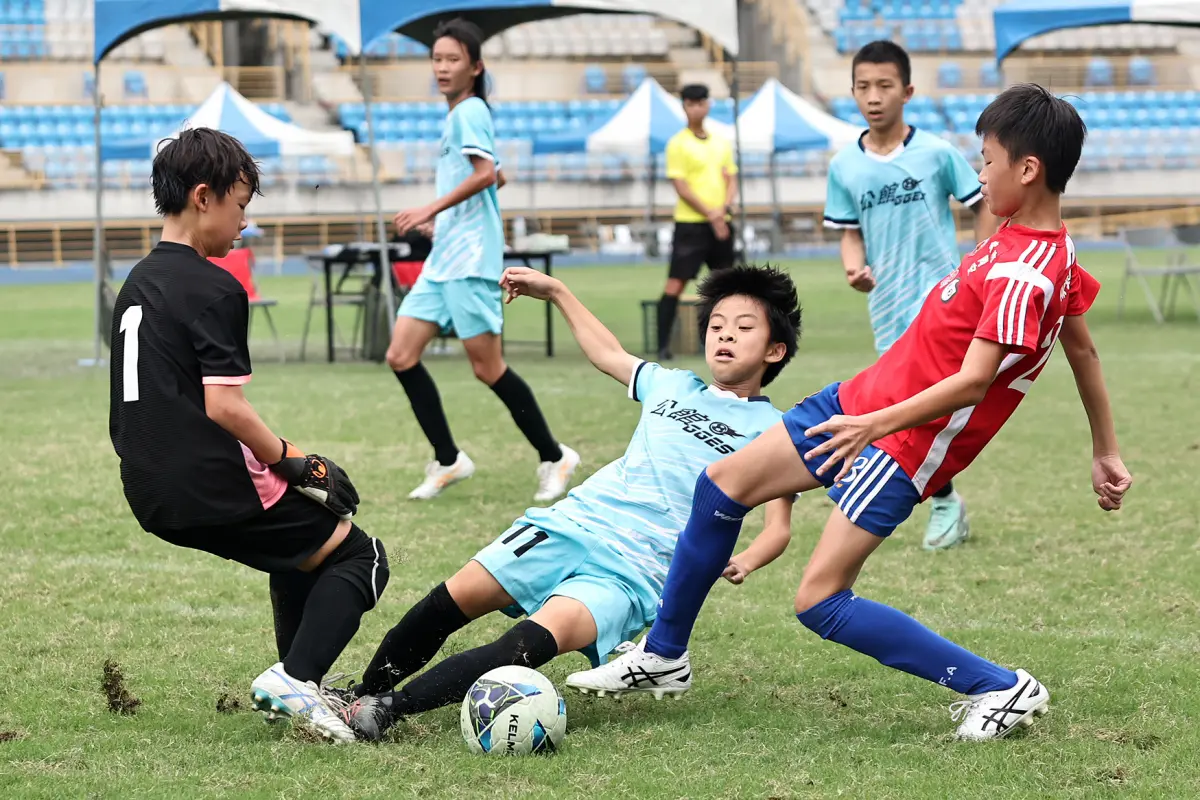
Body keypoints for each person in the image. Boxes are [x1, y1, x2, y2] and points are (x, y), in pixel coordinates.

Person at [566, 84, 1134, 741]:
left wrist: (875, 427)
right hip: (855, 403)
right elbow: (1084, 351)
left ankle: (1000, 686)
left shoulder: (1026, 273)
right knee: (722, 486)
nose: (980, 173)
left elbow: (975, 382)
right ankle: (665, 655)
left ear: (1027, 169)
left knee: (819, 600)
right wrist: (1106, 449)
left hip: (899, 443)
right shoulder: (1039, 247)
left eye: (987, 160)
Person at [331, 264, 802, 740]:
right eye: (716, 326)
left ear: (774, 350)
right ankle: (357, 696)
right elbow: (607, 353)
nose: (724, 336)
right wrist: (556, 291)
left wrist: (745, 559)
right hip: (571, 524)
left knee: (526, 643)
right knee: (448, 604)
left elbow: (777, 527)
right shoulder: (672, 384)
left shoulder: (775, 434)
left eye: (744, 329)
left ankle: (388, 709)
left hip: (633, 572)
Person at [107, 128, 390, 743]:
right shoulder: (214, 285)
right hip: (205, 479)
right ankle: (297, 679)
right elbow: (225, 406)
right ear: (204, 197)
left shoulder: (135, 283)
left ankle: (300, 690)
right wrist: (299, 461)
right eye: (241, 205)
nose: (245, 223)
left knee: (302, 551)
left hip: (146, 485)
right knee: (360, 557)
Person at [387, 18, 578, 502]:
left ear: (475, 67)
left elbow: (488, 172)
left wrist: (430, 209)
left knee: (487, 368)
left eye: (453, 59)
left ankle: (555, 456)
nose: (443, 67)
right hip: (445, 257)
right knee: (401, 355)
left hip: (470, 262)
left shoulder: (468, 110)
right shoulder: (463, 114)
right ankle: (449, 460)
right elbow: (498, 177)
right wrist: (447, 221)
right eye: (437, 59)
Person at [825, 40, 999, 550]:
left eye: (884, 86)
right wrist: (853, 266)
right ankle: (939, 498)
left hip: (943, 300)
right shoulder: (845, 166)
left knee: (924, 406)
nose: (873, 97)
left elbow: (980, 202)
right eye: (863, 87)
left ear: (907, 91)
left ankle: (939, 500)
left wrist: (981, 260)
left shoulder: (938, 152)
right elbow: (848, 229)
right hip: (887, 305)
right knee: (904, 405)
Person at [655, 83, 738, 362]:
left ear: (708, 104)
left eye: (700, 102)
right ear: (684, 107)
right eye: (690, 103)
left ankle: (725, 342)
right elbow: (682, 187)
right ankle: (662, 344)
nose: (696, 108)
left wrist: (723, 210)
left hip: (721, 222)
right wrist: (712, 214)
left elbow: (730, 177)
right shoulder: (677, 144)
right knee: (675, 284)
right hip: (691, 225)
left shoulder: (721, 142)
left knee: (726, 288)